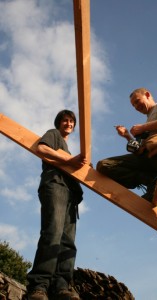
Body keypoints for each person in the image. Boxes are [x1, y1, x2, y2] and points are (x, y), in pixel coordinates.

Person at [27, 110, 87, 300]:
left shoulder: (67, 149)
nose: (69, 124)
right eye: (65, 121)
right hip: (55, 185)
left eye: (71, 121)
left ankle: (62, 286)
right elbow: (41, 149)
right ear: (59, 123)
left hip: (71, 195)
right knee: (52, 232)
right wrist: (71, 160)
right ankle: (39, 285)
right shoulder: (53, 134)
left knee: (68, 241)